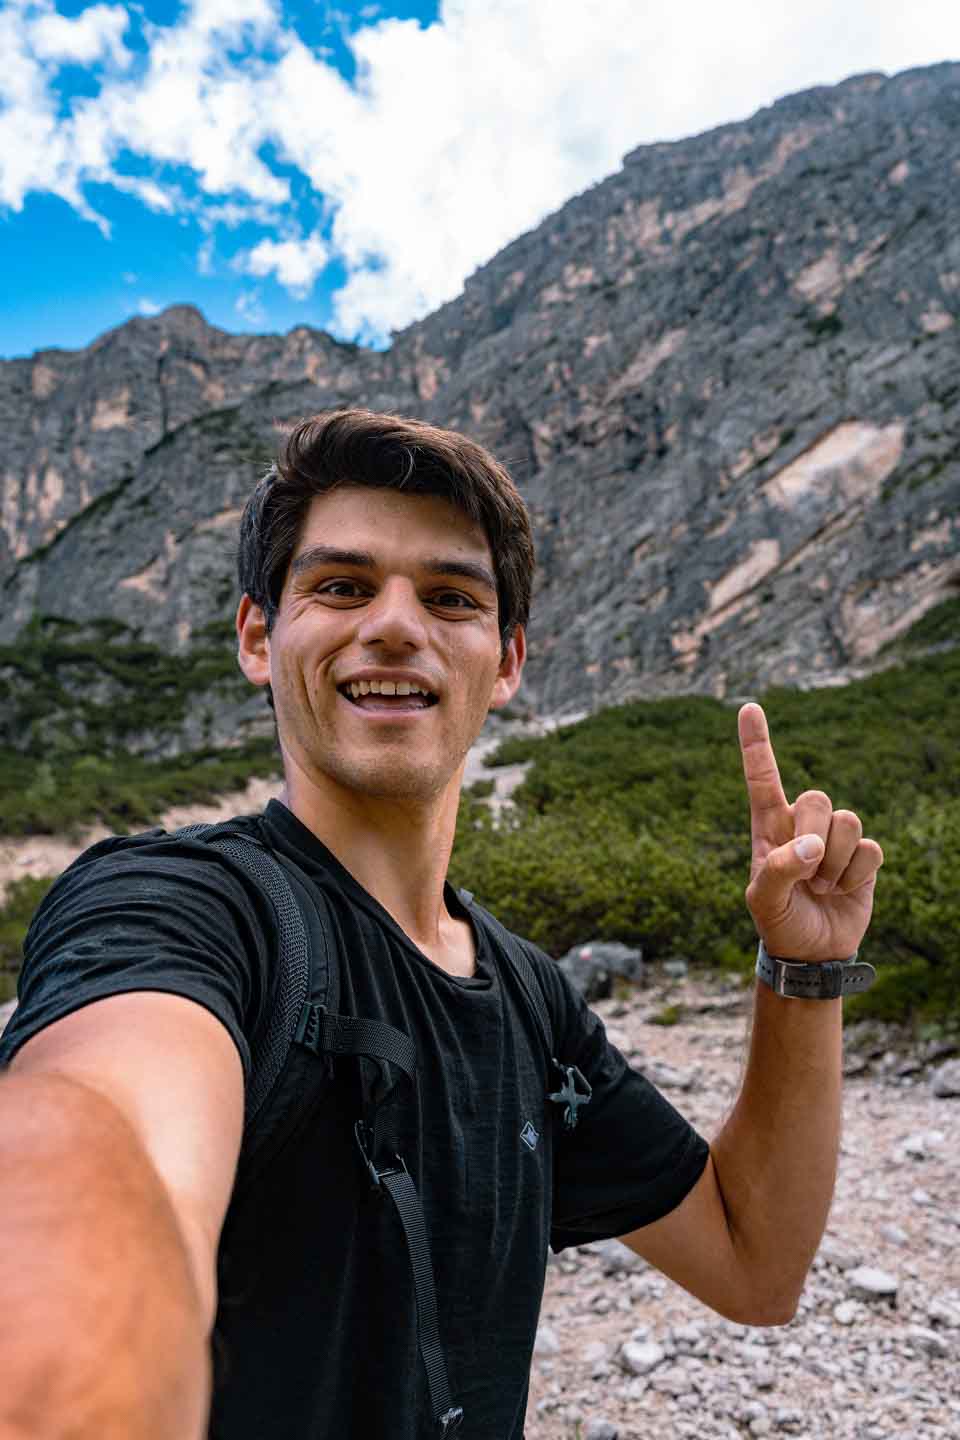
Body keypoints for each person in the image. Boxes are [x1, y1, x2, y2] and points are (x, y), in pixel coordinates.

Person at [0, 409, 883, 1440]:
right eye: (341, 586)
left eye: (450, 597)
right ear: (258, 637)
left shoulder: (530, 997)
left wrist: (801, 973)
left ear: (506, 663)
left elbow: (753, 1261)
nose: (394, 625)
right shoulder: (186, 907)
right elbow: (112, 1130)